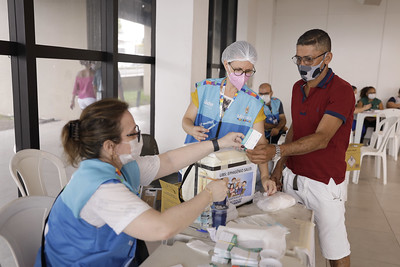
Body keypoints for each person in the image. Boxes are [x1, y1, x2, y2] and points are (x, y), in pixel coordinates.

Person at [35, 98, 244, 266]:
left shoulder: (117, 167)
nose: (139, 136)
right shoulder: (101, 190)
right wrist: (208, 195)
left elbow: (169, 160)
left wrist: (219, 143)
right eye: (132, 133)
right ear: (110, 146)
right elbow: (162, 228)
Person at [246, 29, 354, 267]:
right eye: (298, 59)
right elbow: (296, 128)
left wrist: (276, 152)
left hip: (323, 182)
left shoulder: (341, 90)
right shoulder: (298, 87)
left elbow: (322, 138)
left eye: (309, 59)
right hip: (293, 177)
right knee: (293, 244)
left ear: (327, 57)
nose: (303, 65)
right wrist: (279, 168)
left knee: (335, 251)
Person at [182, 41, 276, 195]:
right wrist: (191, 129)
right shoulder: (205, 88)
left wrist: (265, 176)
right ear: (226, 65)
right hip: (197, 162)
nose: (243, 76)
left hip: (230, 168)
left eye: (248, 71)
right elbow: (186, 120)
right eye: (238, 70)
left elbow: (260, 143)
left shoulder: (253, 103)